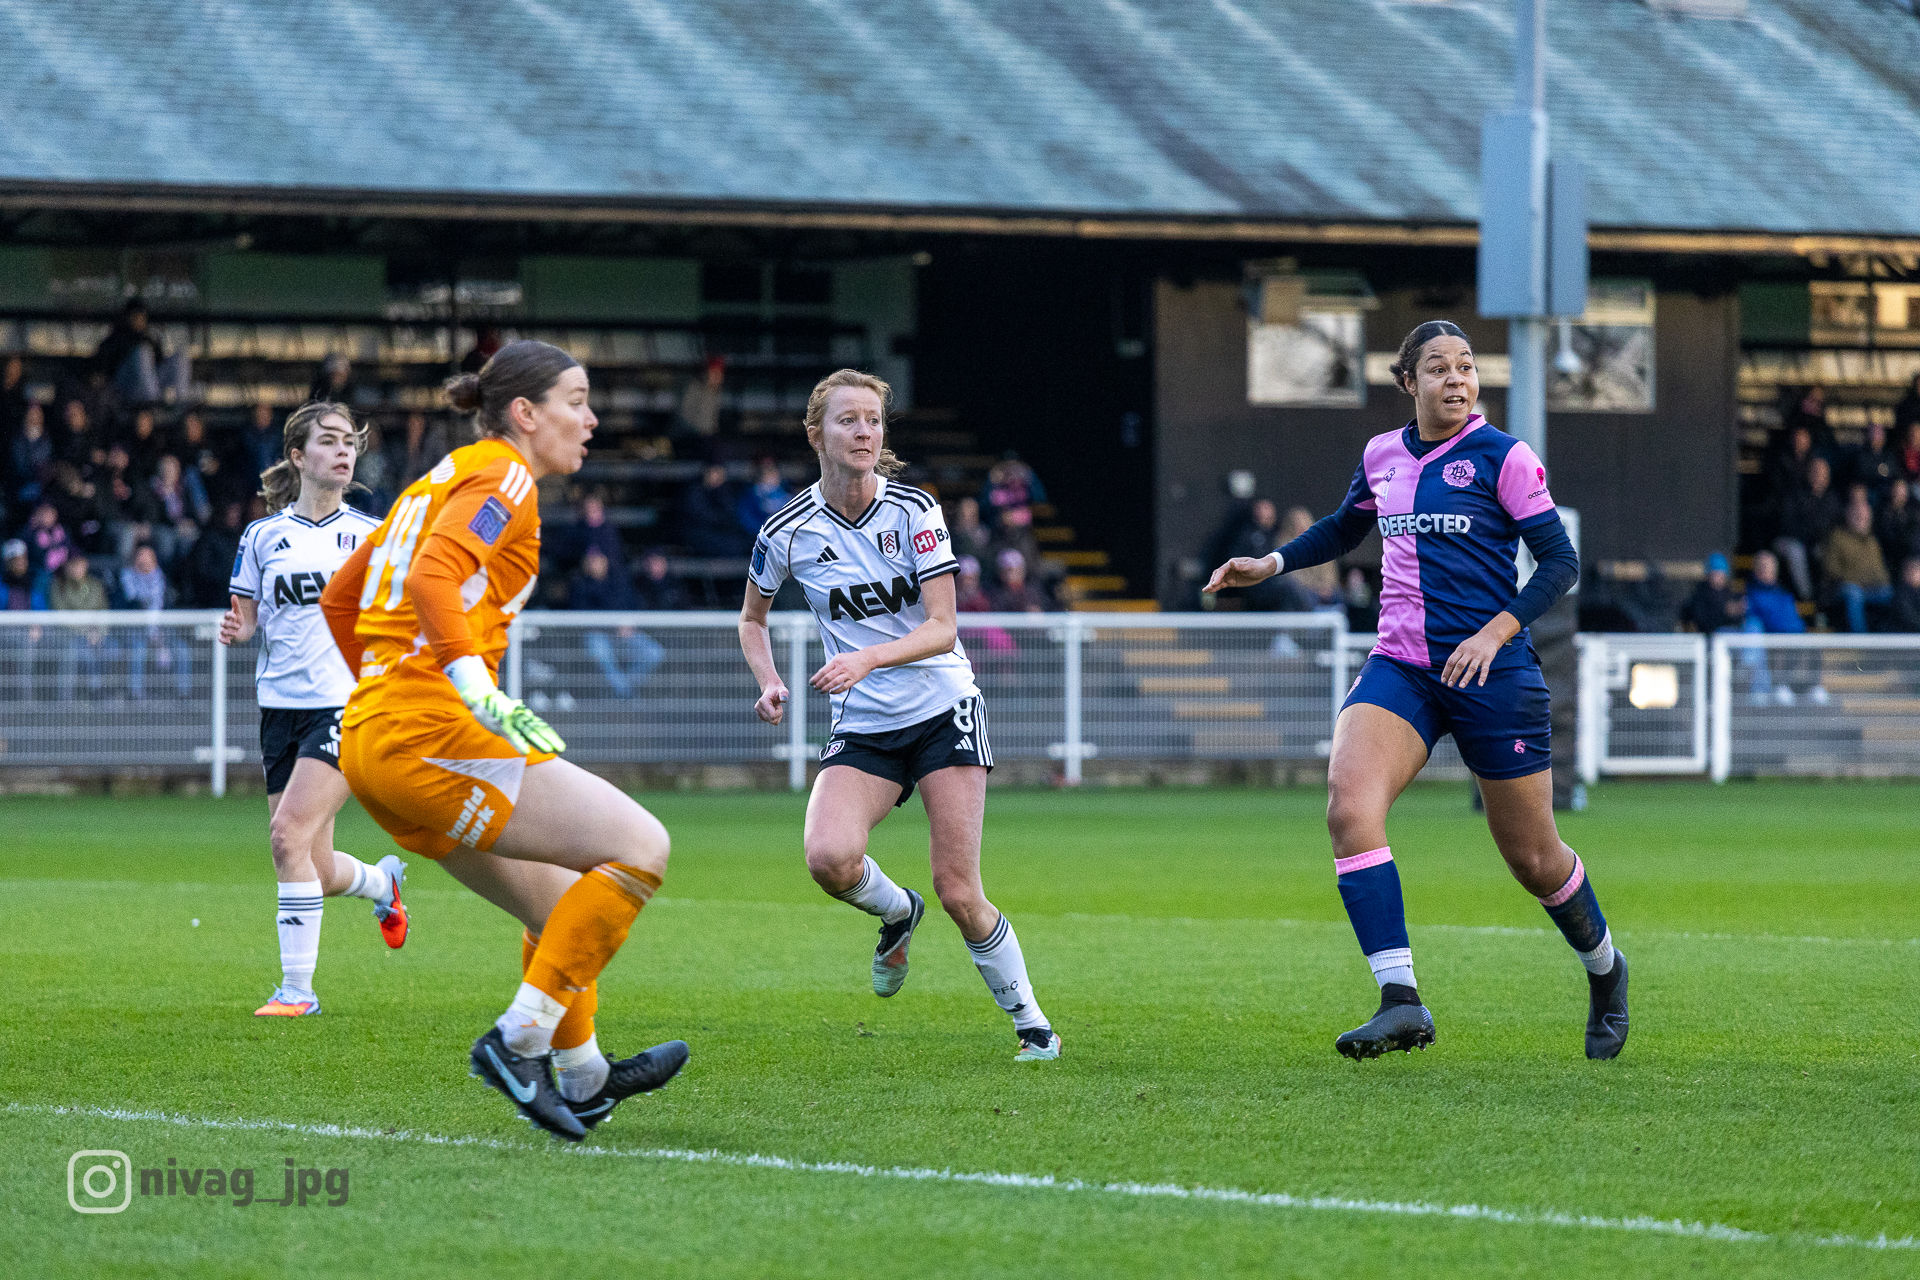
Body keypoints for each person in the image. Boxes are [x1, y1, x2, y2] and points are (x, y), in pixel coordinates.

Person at [1205, 319, 1621, 1061]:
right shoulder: (1382, 454)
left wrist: (1493, 633)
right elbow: (1344, 528)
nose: (1456, 379)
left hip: (1493, 672)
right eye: (1438, 368)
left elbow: (1560, 562)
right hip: (1402, 666)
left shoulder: (1505, 457)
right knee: (1349, 807)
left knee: (1533, 858)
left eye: (1466, 366)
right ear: (1407, 382)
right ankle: (1401, 1001)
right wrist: (1272, 564)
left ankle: (1605, 967)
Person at [320, 340, 688, 1140]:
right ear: (525, 413)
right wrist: (471, 687)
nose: (591, 419)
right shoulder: (507, 475)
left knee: (559, 908)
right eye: (576, 401)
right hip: (429, 726)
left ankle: (584, 1077)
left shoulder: (437, 479)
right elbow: (432, 579)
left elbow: (341, 599)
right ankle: (517, 1042)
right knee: (641, 848)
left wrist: (385, 690)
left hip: (376, 739)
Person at [738, 368, 1060, 1063]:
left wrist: (867, 659)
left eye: (873, 420)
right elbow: (751, 619)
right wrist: (768, 681)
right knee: (828, 859)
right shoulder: (786, 531)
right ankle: (896, 911)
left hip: (943, 708)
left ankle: (1033, 1023)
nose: (864, 432)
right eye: (847, 420)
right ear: (816, 433)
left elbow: (943, 628)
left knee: (959, 891)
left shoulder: (914, 510)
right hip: (865, 723)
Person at [219, 402, 401, 1017]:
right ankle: (382, 882)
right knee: (312, 865)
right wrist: (238, 631)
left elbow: (400, 614)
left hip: (347, 705)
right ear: (298, 456)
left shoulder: (373, 535)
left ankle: (297, 991)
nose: (343, 450)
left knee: (285, 835)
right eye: (329, 441)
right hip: (280, 708)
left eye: (349, 441)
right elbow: (249, 620)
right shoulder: (262, 537)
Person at [568, 546, 663, 699]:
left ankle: (622, 688)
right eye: (590, 560)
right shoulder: (579, 584)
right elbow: (581, 615)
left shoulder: (619, 581)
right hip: (598, 635)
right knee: (600, 652)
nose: (594, 564)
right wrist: (611, 626)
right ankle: (625, 694)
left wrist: (629, 623)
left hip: (625, 634)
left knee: (654, 653)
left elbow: (634, 604)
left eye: (597, 560)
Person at [1738, 549, 1822, 705]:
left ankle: (1813, 686)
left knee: (1814, 644)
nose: (1767, 571)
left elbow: (1793, 617)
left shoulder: (1783, 593)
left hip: (1794, 633)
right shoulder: (1751, 594)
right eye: (1763, 567)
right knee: (1790, 645)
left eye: (1770, 568)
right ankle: (1781, 685)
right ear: (1756, 570)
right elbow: (1755, 619)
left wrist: (1800, 629)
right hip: (1773, 635)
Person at [119, 542, 191, 699]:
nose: (144, 560)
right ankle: (136, 695)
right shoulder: (125, 578)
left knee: (182, 649)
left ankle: (183, 695)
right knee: (138, 651)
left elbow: (169, 608)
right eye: (141, 556)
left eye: (148, 556)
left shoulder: (163, 580)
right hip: (136, 630)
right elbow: (124, 606)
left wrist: (161, 634)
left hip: (163, 630)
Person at [1822, 486, 1892, 634]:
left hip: (1871, 588)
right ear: (1848, 516)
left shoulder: (1872, 542)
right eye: (1857, 516)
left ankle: (1893, 638)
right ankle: (1860, 640)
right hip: (1841, 589)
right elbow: (1831, 569)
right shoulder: (1837, 537)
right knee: (1853, 592)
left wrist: (1880, 581)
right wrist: (1858, 581)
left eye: (1864, 517)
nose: (1861, 519)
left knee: (1892, 593)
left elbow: (1881, 572)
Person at [1773, 454, 1838, 601]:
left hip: (1818, 542)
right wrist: (1808, 538)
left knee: (1828, 550)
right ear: (1808, 473)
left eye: (1822, 474)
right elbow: (1787, 523)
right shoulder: (1794, 493)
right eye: (1814, 472)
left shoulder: (1832, 500)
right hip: (1791, 540)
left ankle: (1825, 596)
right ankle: (1806, 596)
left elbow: (1833, 528)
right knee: (1796, 551)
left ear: (1827, 478)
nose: (1817, 477)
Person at [49, 553, 111, 699]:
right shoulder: (58, 585)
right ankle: (67, 698)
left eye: (79, 564)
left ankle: (102, 694)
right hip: (68, 636)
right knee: (75, 652)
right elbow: (61, 616)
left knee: (113, 650)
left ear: (85, 565)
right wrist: (87, 632)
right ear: (66, 567)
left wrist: (98, 632)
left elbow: (104, 612)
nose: (76, 568)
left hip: (96, 635)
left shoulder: (96, 585)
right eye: (72, 565)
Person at [680, 462, 749, 556]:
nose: (717, 477)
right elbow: (701, 515)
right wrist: (721, 519)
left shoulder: (725, 490)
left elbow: (730, 512)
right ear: (706, 473)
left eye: (720, 473)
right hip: (700, 530)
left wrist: (720, 492)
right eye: (714, 473)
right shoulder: (695, 491)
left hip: (721, 531)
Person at [1682, 553, 1744, 635]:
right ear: (1708, 575)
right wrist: (1725, 612)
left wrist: (1737, 612)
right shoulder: (1700, 596)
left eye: (1721, 574)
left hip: (1730, 637)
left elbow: (1738, 622)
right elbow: (1702, 623)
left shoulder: (1731, 594)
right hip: (1709, 638)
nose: (1718, 577)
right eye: (1715, 574)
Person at [736, 455, 793, 536]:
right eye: (768, 472)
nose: (773, 476)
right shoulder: (750, 497)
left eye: (774, 471)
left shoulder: (787, 494)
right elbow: (747, 521)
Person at [988, 547, 1052, 613]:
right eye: (1010, 570)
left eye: (1018, 569)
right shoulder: (993, 595)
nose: (1015, 574)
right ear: (1001, 573)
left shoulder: (1034, 594)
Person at [677, 356, 725, 437]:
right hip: (690, 436)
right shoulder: (694, 388)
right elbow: (684, 415)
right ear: (706, 373)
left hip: (708, 436)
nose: (717, 377)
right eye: (713, 373)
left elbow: (713, 421)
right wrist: (698, 431)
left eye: (719, 374)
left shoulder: (716, 393)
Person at [1889, 556, 1920, 632]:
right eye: (1908, 569)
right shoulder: (1900, 595)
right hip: (1907, 634)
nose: (1911, 573)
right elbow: (1908, 619)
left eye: (1915, 569)